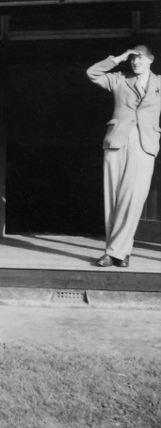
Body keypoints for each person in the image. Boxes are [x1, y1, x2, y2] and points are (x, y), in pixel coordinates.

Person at [87, 45, 160, 268]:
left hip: (144, 144)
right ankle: (119, 253)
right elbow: (92, 73)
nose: (136, 63)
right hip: (117, 141)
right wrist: (117, 59)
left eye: (140, 59)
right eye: (132, 60)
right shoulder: (119, 79)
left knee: (133, 199)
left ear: (151, 60)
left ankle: (115, 251)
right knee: (113, 198)